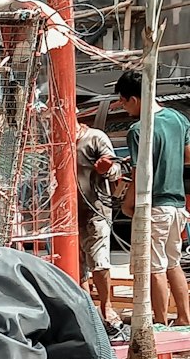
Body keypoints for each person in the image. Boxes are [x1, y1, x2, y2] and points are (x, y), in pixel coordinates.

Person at [116, 71, 190, 328]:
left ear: (134, 99)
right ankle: (183, 318)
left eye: (123, 102)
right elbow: (188, 156)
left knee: (154, 268)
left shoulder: (138, 130)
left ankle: (159, 323)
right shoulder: (178, 119)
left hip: (154, 206)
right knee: (173, 263)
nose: (123, 108)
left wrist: (127, 203)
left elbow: (140, 175)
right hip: (177, 206)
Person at [76, 101, 125, 340]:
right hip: (66, 214)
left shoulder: (94, 138)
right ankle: (89, 313)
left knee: (99, 261)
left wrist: (106, 168)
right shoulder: (56, 141)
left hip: (95, 210)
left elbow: (116, 170)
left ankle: (106, 307)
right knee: (77, 267)